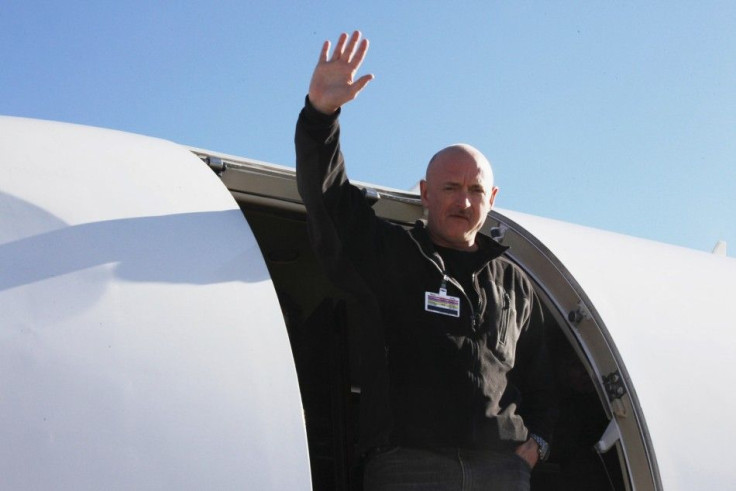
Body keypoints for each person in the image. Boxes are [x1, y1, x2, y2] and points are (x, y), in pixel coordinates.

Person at [296, 31, 556, 491]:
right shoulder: (392, 254)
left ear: (491, 198)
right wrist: (321, 117)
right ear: (424, 194)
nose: (463, 200)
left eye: (475, 189)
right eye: (451, 187)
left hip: (502, 470)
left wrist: (537, 447)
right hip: (410, 467)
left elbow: (545, 381)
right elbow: (330, 202)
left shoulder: (516, 284)